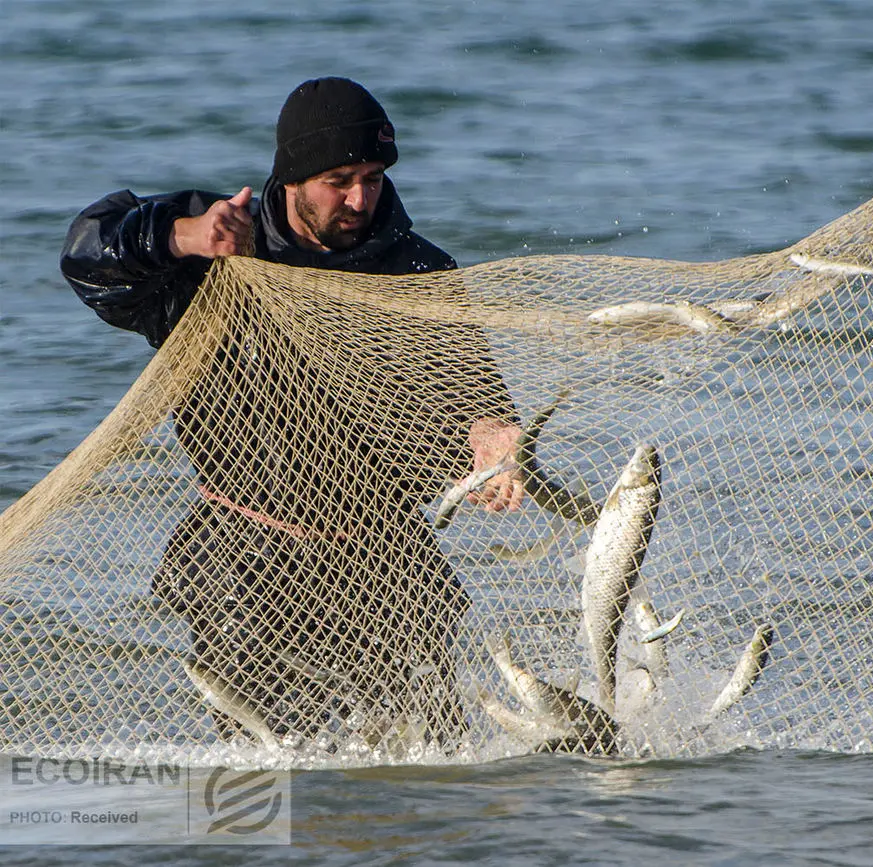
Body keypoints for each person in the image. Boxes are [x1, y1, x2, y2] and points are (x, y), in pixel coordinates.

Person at [60, 77, 526, 750]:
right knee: (273, 784)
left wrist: (490, 435)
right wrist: (182, 235)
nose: (361, 198)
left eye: (372, 176)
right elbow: (86, 260)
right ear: (292, 176)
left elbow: (470, 394)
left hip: (388, 562)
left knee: (426, 773)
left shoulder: (419, 269)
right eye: (339, 179)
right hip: (246, 565)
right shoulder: (219, 256)